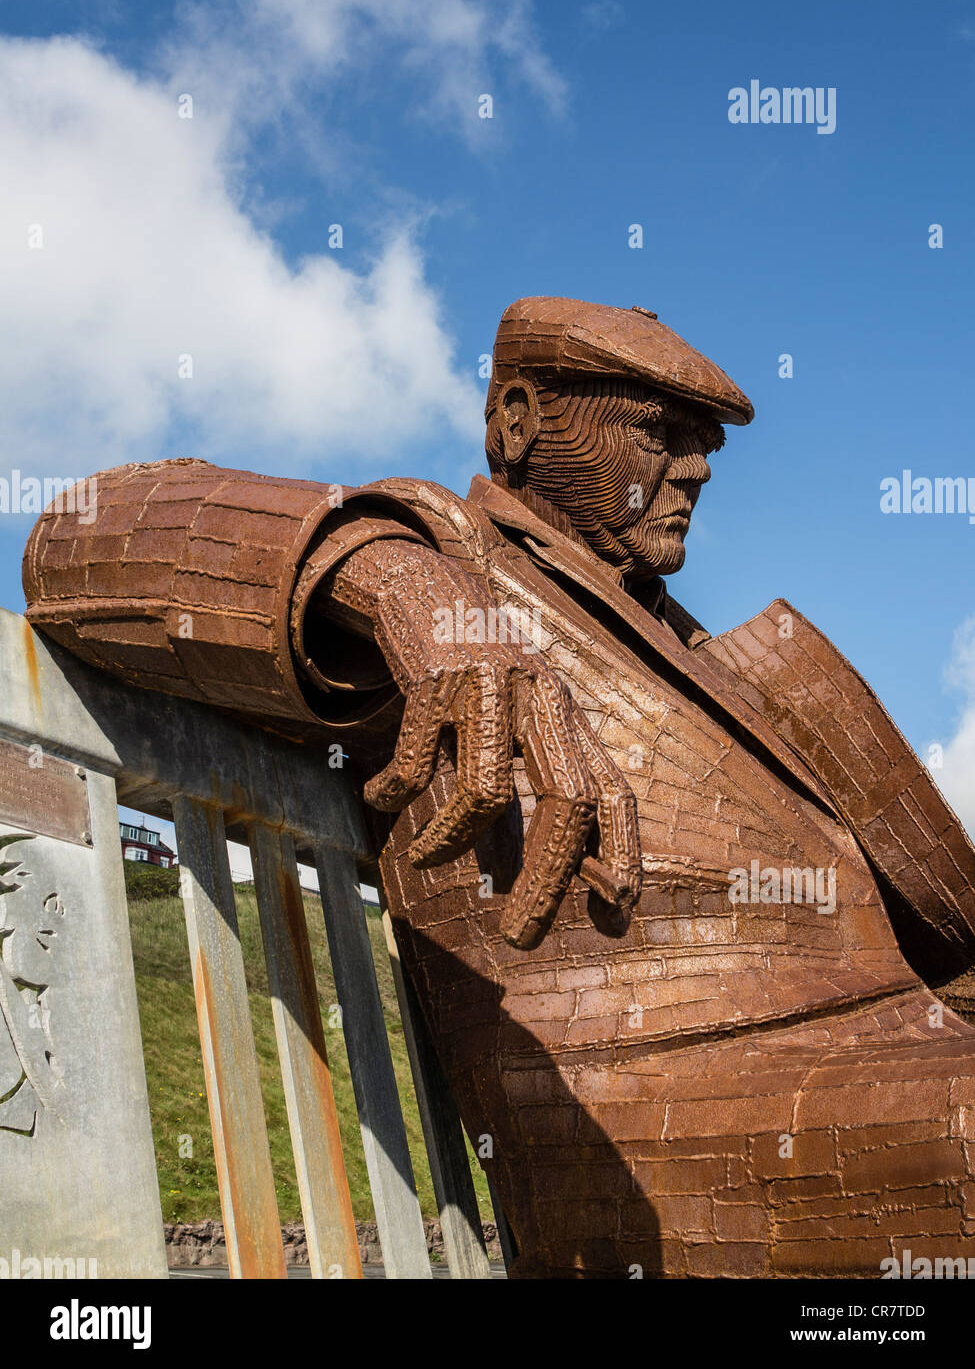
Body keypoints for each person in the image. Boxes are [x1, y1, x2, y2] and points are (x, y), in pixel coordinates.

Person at [24, 297, 975, 1276]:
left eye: (704, 443)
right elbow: (72, 540)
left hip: (897, 1055)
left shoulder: (717, 653)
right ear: (519, 419)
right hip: (674, 1123)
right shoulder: (454, 564)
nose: (693, 465)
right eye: (657, 431)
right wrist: (396, 585)